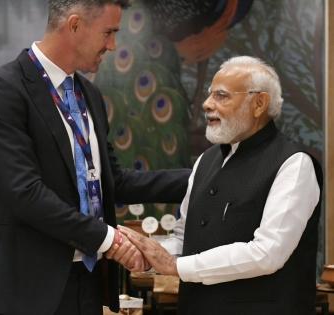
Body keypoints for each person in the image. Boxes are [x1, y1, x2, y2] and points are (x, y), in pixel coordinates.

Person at [0, 1, 190, 314]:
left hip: (86, 282)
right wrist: (109, 240)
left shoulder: (89, 94)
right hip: (22, 293)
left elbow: (115, 182)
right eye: (108, 33)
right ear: (74, 25)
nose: (113, 46)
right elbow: (24, 193)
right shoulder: (2, 91)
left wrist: (201, 177)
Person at [118, 56, 323, 315]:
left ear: (259, 103)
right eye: (209, 95)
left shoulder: (294, 165)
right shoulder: (206, 160)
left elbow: (267, 253)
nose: (206, 104)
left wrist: (175, 266)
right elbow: (184, 239)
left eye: (222, 96)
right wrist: (146, 254)